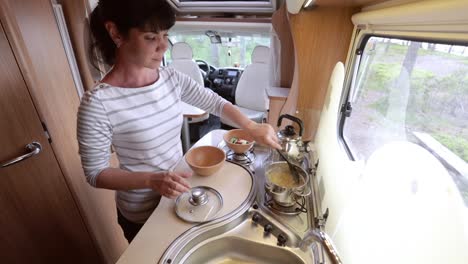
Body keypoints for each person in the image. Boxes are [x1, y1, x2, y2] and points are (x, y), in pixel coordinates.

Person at [78, 0, 281, 243]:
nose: (164, 46)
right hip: (141, 212)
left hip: (179, 196)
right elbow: (95, 173)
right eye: (151, 37)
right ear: (115, 33)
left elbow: (215, 103)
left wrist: (252, 127)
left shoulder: (170, 78)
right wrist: (151, 180)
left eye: (165, 35)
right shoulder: (97, 104)